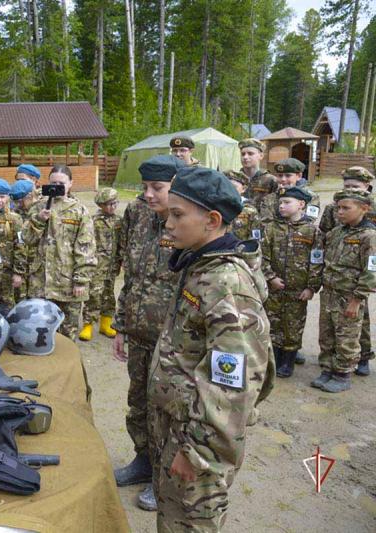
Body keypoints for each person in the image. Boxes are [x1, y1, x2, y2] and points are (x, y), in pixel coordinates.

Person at [148, 166, 275, 531]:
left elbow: (234, 384)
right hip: (180, 427)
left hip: (198, 444)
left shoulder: (226, 284)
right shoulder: (199, 265)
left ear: (212, 220)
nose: (167, 224)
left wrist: (198, 454)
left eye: (177, 215)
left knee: (191, 523)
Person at [111, 155, 185, 511]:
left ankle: (162, 478)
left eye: (158, 188)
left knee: (166, 413)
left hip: (173, 342)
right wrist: (122, 326)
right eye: (145, 187)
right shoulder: (139, 216)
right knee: (138, 404)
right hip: (140, 333)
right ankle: (143, 461)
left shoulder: (188, 227)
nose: (149, 195)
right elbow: (132, 277)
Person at [16, 165, 97, 340]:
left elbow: (86, 248)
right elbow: (26, 239)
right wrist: (39, 220)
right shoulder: (38, 207)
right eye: (53, 183)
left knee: (68, 333)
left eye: (62, 183)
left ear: (70, 184)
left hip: (67, 282)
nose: (57, 186)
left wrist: (81, 280)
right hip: (41, 282)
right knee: (40, 331)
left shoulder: (79, 211)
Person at [313, 189, 376, 393]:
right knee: (327, 334)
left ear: (364, 209)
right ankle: (327, 369)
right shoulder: (337, 232)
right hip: (329, 292)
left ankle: (343, 374)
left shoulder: (369, 236)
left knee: (347, 336)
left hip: (349, 296)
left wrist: (357, 299)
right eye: (338, 208)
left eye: (346, 208)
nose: (339, 212)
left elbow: (371, 269)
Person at [260, 187, 323, 378]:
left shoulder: (312, 230)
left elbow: (317, 260)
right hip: (275, 288)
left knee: (293, 325)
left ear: (301, 204)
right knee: (273, 323)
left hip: (298, 290)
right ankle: (275, 359)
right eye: (280, 203)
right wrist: (270, 277)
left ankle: (288, 361)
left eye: (287, 202)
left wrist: (311, 287)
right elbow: (263, 255)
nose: (282, 206)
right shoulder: (271, 228)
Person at [79, 187, 122, 341]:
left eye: (114, 203)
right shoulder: (94, 221)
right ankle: (88, 324)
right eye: (108, 204)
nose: (112, 207)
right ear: (101, 205)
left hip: (112, 265)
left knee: (109, 295)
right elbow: (88, 243)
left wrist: (120, 260)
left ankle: (106, 322)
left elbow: (122, 243)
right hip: (97, 266)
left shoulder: (119, 221)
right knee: (94, 295)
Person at [0, 178, 24, 314]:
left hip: (6, 272)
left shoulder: (14, 219)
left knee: (6, 307)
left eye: (2, 197)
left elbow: (21, 246)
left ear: (8, 197)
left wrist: (18, 273)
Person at [259, 158, 320, 224]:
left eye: (288, 175)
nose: (283, 179)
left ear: (299, 176)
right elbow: (266, 222)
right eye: (280, 175)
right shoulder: (269, 199)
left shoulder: (311, 197)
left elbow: (310, 220)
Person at [238, 138, 278, 212]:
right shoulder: (234, 179)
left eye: (250, 153)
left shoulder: (271, 181)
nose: (245, 157)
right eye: (243, 154)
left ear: (261, 156)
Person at [225, 170, 262, 241]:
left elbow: (255, 237)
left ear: (244, 189)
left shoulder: (250, 210)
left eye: (234, 187)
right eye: (226, 186)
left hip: (242, 249)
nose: (229, 190)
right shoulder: (218, 207)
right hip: (220, 250)